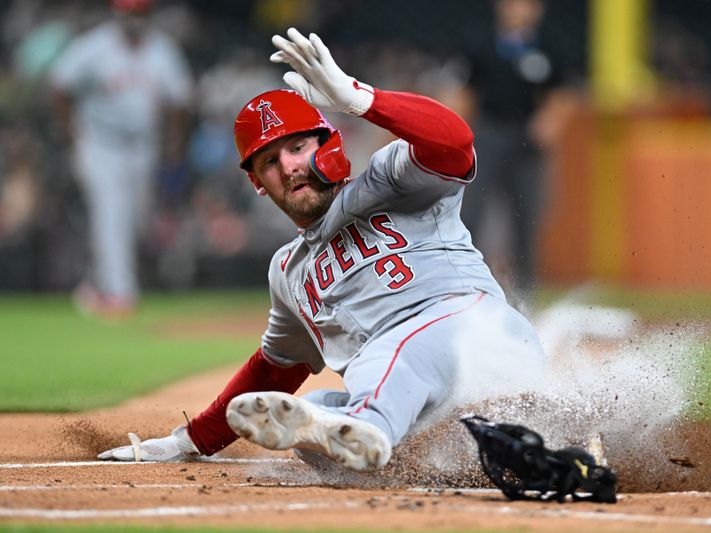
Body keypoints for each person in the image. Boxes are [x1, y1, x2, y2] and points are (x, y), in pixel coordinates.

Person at [99, 28, 545, 471]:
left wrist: (359, 99)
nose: (288, 166)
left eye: (297, 147)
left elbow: (454, 142)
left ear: (329, 143)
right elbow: (272, 372)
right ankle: (505, 453)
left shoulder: (390, 179)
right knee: (313, 416)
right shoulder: (289, 272)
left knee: (383, 357)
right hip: (424, 400)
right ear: (257, 183)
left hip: (477, 338)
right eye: (269, 162)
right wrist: (191, 441)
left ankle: (368, 424)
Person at [49, 0, 193, 317]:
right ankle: (120, 295)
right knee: (110, 212)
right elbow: (59, 84)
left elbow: (181, 101)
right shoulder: (94, 46)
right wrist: (71, 132)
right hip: (100, 144)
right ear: (117, 14)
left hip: (142, 146)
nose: (134, 19)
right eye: (129, 12)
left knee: (137, 221)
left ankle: (95, 285)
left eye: (140, 12)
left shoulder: (161, 50)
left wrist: (174, 147)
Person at [461, 0, 563, 297]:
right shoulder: (481, 47)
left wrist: (551, 119)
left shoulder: (548, 50)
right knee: (472, 213)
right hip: (488, 134)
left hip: (527, 141)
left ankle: (524, 293)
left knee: (526, 217)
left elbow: (562, 93)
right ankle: (469, 288)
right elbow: (464, 92)